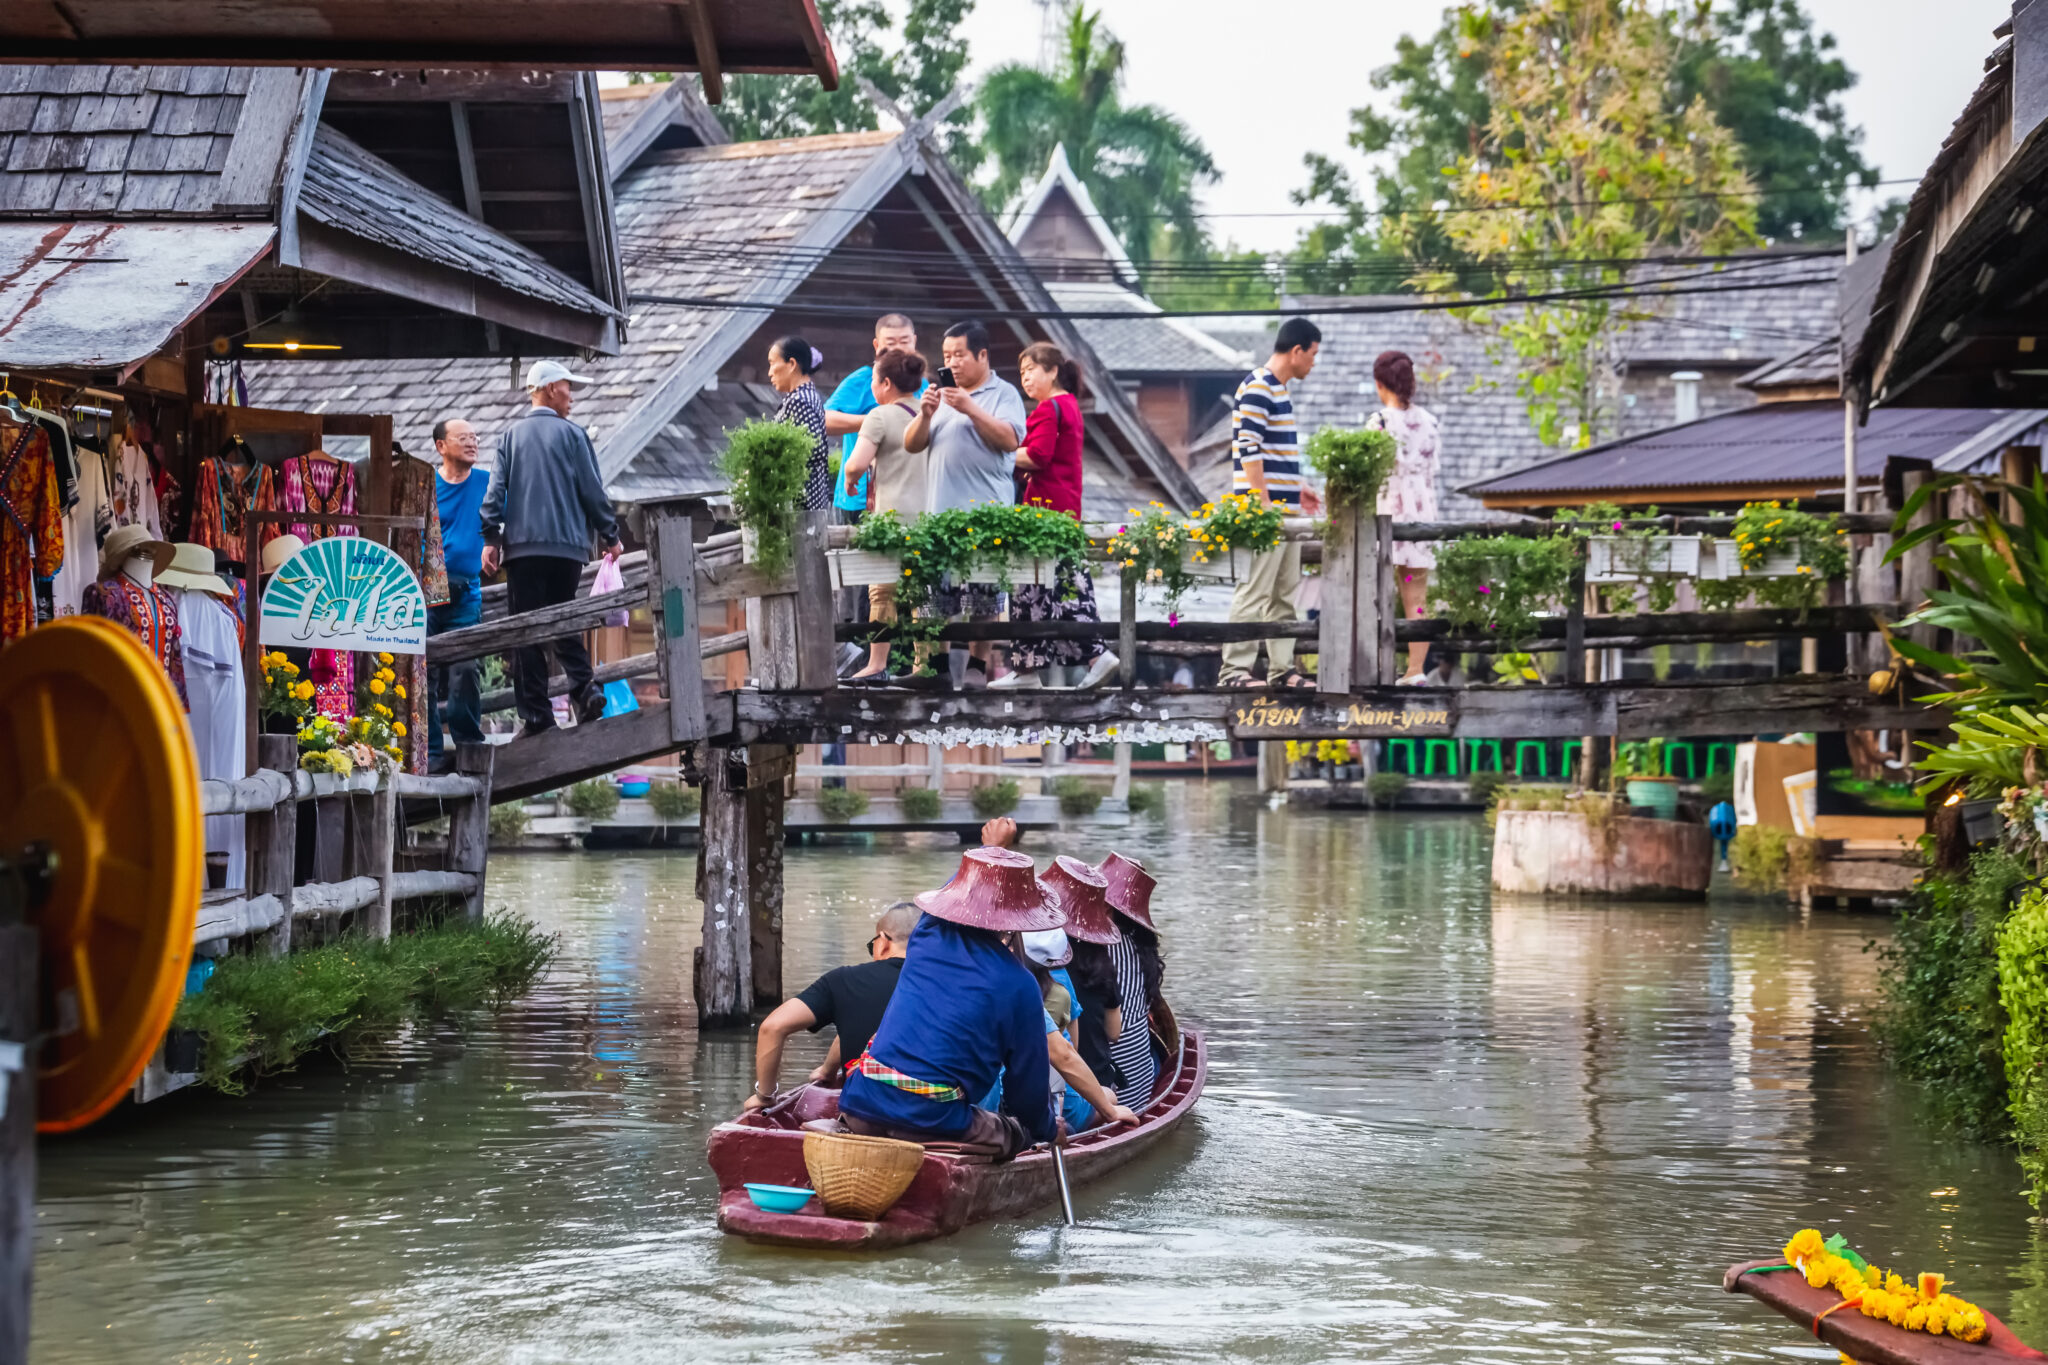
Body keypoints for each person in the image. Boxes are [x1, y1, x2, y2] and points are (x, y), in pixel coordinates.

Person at [837, 847, 1062, 1161]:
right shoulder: (1020, 984)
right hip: (935, 1121)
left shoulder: (925, 937)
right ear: (1013, 923)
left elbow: (950, 892)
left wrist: (988, 850)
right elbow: (1027, 1096)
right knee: (1017, 1132)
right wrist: (1048, 1130)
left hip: (860, 1105)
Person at [480, 360, 623, 739]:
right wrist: (611, 536)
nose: (571, 396)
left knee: (525, 631)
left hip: (524, 549)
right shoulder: (574, 436)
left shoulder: (510, 436)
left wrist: (491, 538)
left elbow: (494, 494)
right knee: (564, 620)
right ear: (545, 389)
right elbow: (593, 492)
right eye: (566, 387)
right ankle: (585, 688)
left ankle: (538, 715)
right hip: (569, 549)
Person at [903, 320, 1028, 689]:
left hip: (986, 514)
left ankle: (977, 666)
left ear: (982, 355)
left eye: (959, 354)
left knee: (984, 598)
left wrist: (970, 407)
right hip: (940, 512)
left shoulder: (1003, 394)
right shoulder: (939, 396)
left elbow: (1009, 440)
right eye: (946, 356)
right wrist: (926, 414)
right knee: (934, 598)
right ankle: (938, 667)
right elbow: (912, 444)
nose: (952, 363)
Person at [995, 342, 1119, 691]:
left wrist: (1000, 455)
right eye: (1021, 373)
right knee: (1041, 586)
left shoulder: (1049, 408)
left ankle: (1090, 656)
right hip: (1063, 509)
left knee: (1048, 587)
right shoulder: (1070, 406)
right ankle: (1029, 669)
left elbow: (1037, 456)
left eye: (1030, 370)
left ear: (1052, 371)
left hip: (1044, 513)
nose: (1025, 379)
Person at [1220, 318, 1323, 689]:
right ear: (1296, 351)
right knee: (1254, 590)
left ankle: (1282, 669)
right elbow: (1248, 447)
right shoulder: (1260, 387)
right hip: (1263, 511)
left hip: (1283, 508)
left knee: (1283, 593)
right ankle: (1234, 671)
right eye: (1312, 354)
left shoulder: (1277, 390)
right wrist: (1263, 501)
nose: (1313, 362)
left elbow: (1271, 450)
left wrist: (1298, 488)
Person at [743, 902, 917, 1112]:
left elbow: (772, 1027)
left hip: (864, 1114)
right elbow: (855, 1024)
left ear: (882, 942)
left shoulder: (844, 981)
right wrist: (828, 1069)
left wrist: (765, 1096)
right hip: (936, 1113)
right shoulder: (953, 986)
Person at [841, 347, 930, 681]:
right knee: (925, 594)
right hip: (928, 522)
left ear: (887, 383)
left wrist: (850, 480)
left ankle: (877, 664)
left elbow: (856, 463)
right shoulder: (929, 413)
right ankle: (924, 665)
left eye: (875, 380)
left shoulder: (880, 416)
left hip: (891, 522)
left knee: (881, 594)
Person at [1369, 350, 1443, 682]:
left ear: (1380, 382)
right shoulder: (1430, 422)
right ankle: (1416, 670)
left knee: (1381, 591)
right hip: (1422, 510)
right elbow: (1433, 469)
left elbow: (1371, 471)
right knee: (1416, 596)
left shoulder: (1380, 421)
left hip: (1390, 509)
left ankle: (1379, 668)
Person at [428, 416, 488, 772]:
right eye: (463, 437)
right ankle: (432, 753)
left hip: (467, 590)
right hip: (427, 590)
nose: (472, 443)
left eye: (474, 437)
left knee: (466, 668)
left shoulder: (487, 483)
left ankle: (467, 746)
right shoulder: (426, 485)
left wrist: (494, 545)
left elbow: (502, 523)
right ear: (441, 446)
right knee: (426, 670)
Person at [824, 313, 922, 523]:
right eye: (890, 343)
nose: (898, 350)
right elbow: (823, 420)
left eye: (904, 342)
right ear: (877, 345)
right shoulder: (864, 378)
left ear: (914, 341)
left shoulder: (923, 385)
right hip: (861, 498)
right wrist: (874, 422)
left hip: (914, 498)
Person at [1096, 851, 1164, 1111]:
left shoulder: (1099, 947)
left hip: (1117, 1091)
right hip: (1142, 1079)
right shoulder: (1143, 944)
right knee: (1154, 1056)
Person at [767, 335, 832, 512]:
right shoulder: (805, 396)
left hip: (803, 502)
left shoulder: (800, 400)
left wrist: (770, 461)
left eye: (773, 363)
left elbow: (813, 449)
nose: (770, 372)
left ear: (792, 364)